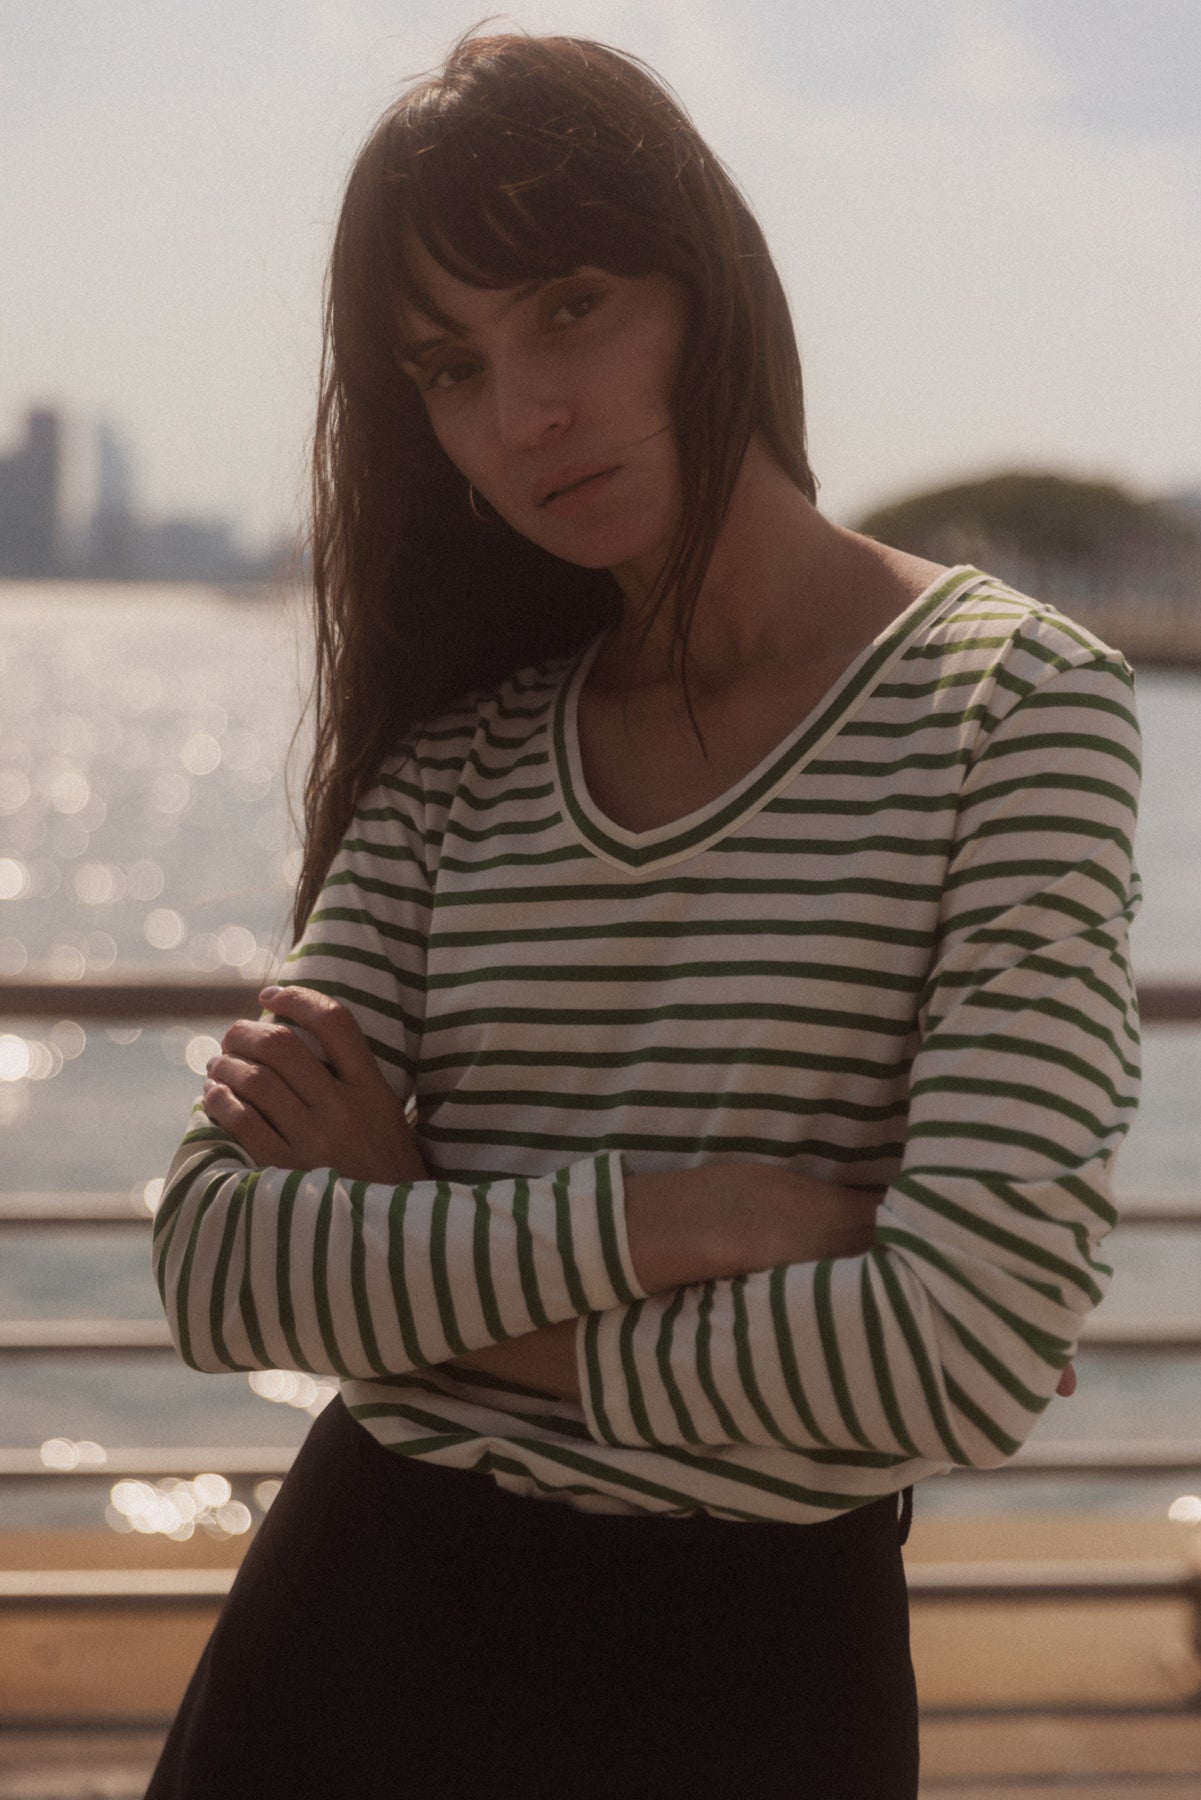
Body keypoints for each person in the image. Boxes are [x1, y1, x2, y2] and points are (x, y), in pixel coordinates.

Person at [147, 28, 1141, 1799]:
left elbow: (961, 1349)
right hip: (344, 1654)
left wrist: (422, 1262)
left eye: (570, 307)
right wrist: (705, 1216)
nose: (520, 413)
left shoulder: (1013, 708)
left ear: (709, 287)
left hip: (746, 1690)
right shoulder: (452, 760)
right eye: (447, 366)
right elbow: (220, 1260)